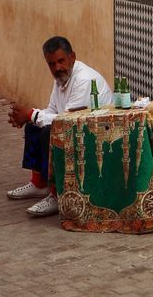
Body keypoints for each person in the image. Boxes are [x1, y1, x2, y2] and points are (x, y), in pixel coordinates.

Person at [6, 36, 113, 217]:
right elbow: (51, 111)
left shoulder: (83, 79)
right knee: (34, 127)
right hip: (75, 126)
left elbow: (66, 120)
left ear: (72, 57)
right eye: (52, 64)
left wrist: (31, 114)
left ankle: (57, 194)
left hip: (96, 134)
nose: (57, 68)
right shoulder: (61, 79)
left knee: (49, 132)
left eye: (61, 61)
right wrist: (30, 118)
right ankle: (39, 184)